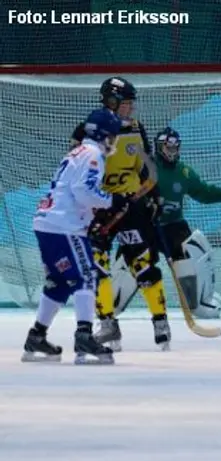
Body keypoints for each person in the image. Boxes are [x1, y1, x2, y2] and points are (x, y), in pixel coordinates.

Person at [22, 108, 127, 365]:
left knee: (58, 282)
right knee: (87, 276)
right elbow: (83, 191)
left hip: (47, 223)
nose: (114, 141)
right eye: (112, 135)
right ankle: (84, 335)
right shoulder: (93, 155)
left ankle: (37, 336)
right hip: (63, 226)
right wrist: (111, 201)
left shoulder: (77, 151)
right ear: (103, 134)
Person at [71, 77, 167, 351]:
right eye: (125, 104)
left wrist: (155, 196)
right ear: (110, 103)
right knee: (96, 264)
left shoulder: (137, 128)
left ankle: (160, 323)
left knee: (142, 262)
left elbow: (146, 166)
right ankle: (108, 324)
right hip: (101, 207)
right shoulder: (87, 130)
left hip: (131, 204)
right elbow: (77, 169)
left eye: (130, 104)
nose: (130, 109)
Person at [154, 127, 221, 319]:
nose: (172, 152)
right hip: (148, 225)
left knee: (193, 251)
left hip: (173, 225)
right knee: (133, 262)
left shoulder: (184, 172)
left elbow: (204, 192)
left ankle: (197, 302)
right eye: (168, 147)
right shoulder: (146, 168)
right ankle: (109, 305)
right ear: (158, 147)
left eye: (175, 147)